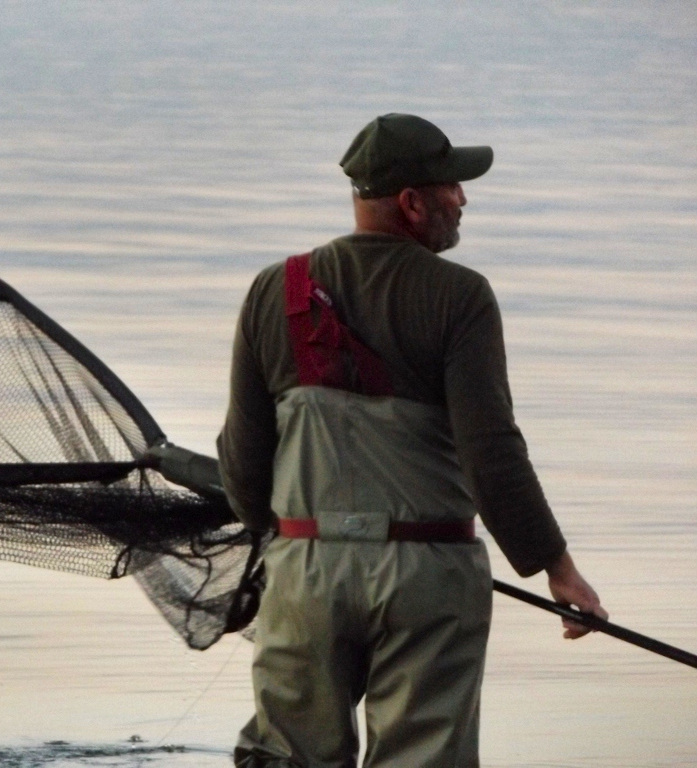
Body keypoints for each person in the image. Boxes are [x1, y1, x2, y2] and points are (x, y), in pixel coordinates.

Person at [217, 113, 608, 768]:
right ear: (412, 201)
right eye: (453, 186)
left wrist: (290, 542)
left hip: (305, 571)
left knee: (288, 758)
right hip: (427, 574)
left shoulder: (272, 292)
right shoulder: (461, 298)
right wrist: (555, 568)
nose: (463, 199)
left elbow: (246, 467)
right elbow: (492, 452)